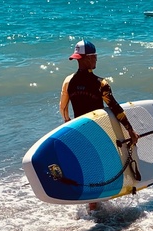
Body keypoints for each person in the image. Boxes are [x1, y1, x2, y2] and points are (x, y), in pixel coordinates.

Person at [59, 40, 139, 211]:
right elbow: (115, 109)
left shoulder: (68, 81)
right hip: (98, 133)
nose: (96, 59)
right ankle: (98, 208)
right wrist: (130, 130)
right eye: (94, 56)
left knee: (89, 168)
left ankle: (92, 208)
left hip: (79, 132)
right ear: (87, 59)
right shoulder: (101, 83)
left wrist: (67, 123)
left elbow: (63, 107)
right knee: (106, 165)